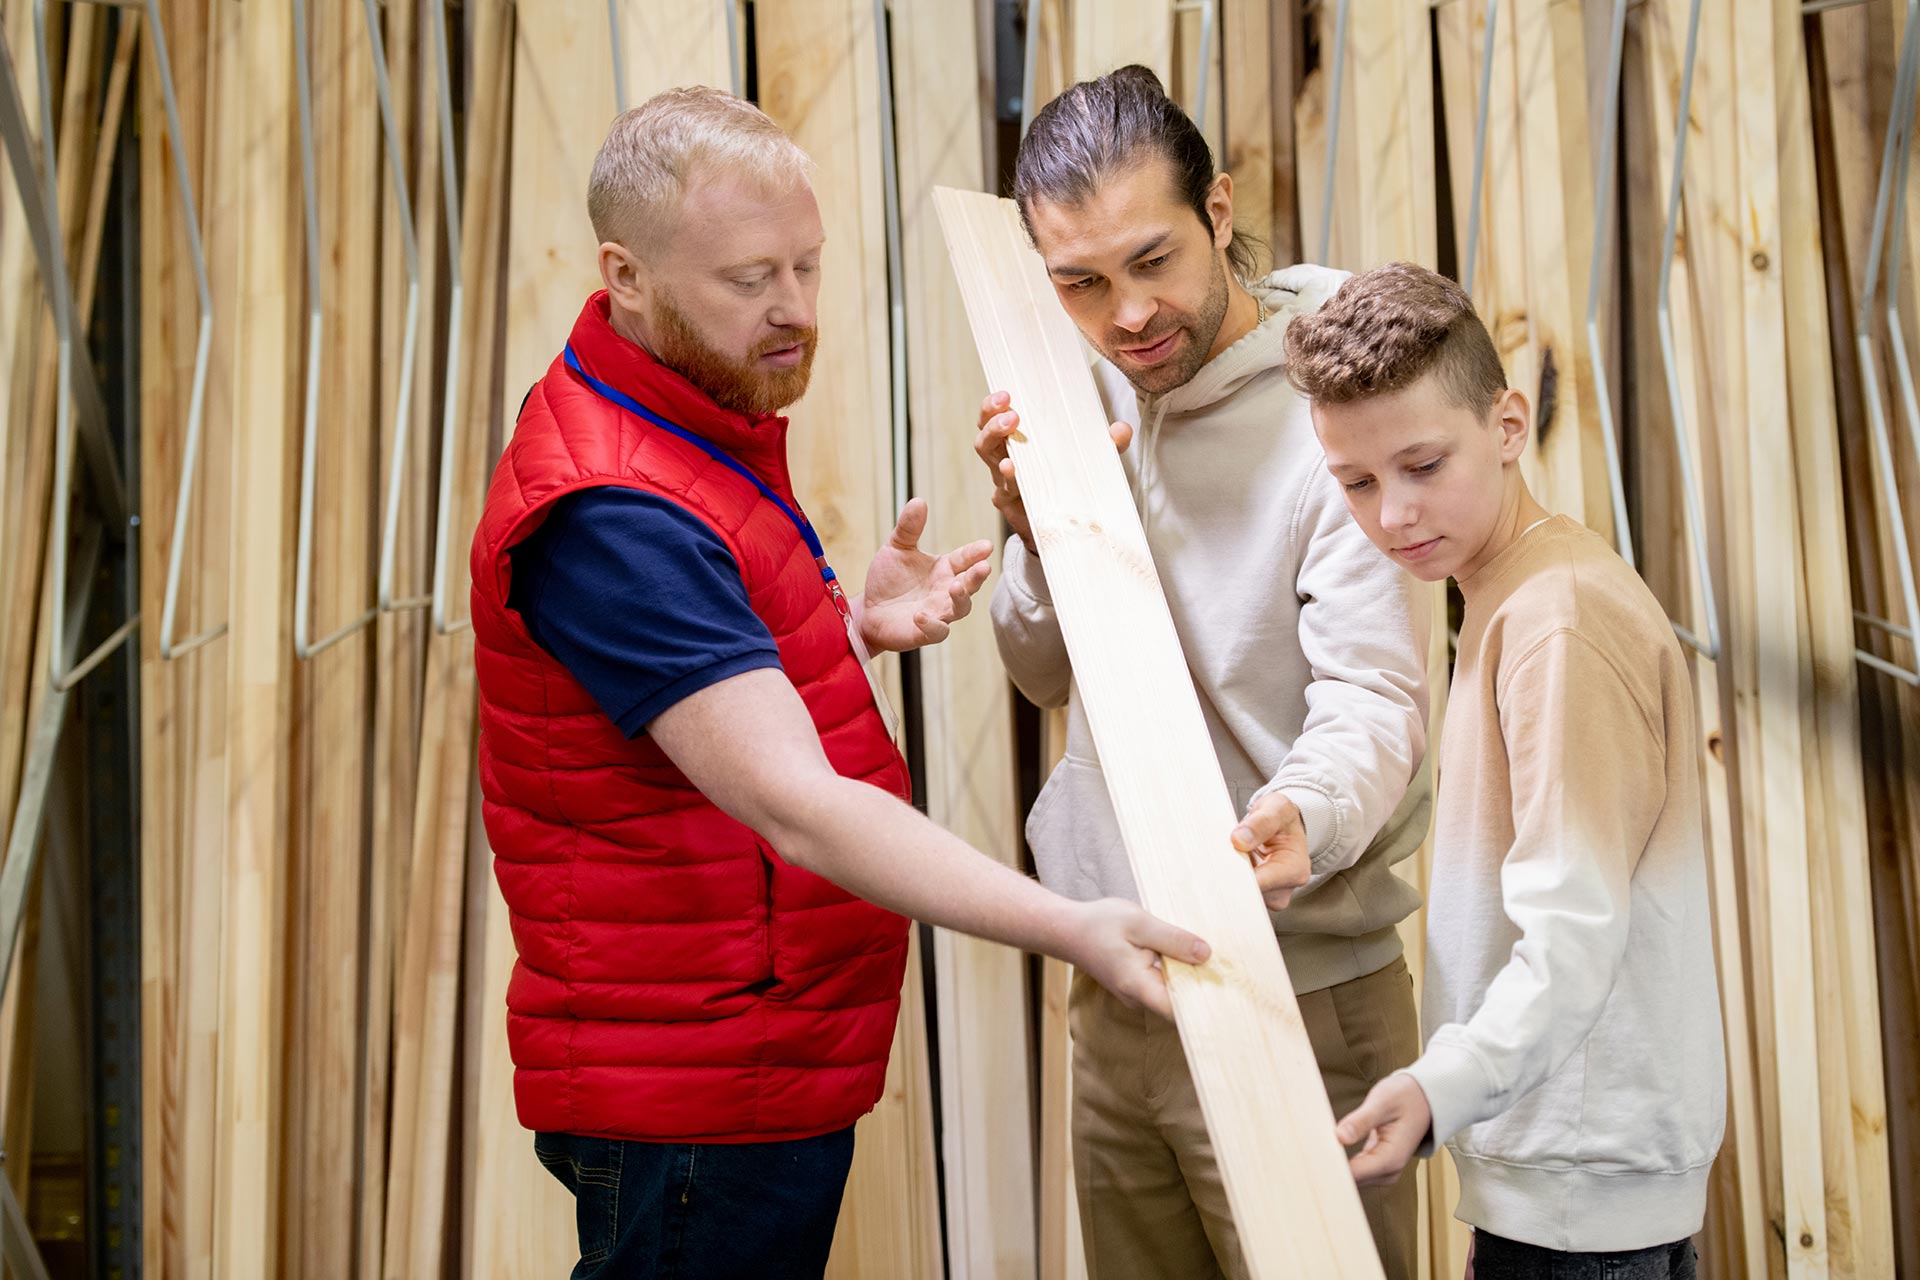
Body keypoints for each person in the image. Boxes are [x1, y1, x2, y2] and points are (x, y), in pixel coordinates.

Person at [468, 87, 1207, 1280]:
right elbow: (794, 805)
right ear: (627, 273)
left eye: (807, 266)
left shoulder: (676, 421)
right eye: (750, 278)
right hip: (699, 1092)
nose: (796, 312)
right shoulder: (611, 507)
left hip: (748, 1057)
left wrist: (845, 636)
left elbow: (678, 709)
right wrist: (1073, 925)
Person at [980, 66, 1431, 1280]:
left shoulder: (1338, 409)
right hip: (1122, 985)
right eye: (1081, 282)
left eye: (1153, 259)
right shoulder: (1089, 394)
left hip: (1302, 994)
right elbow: (1037, 675)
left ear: (1219, 211)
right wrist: (1034, 529)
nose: (1127, 315)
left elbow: (1377, 696)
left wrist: (1304, 809)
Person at [1291, 262, 1726, 1279]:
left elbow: (1570, 935)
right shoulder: (1509, 590)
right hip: (1570, 1180)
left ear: (1508, 422)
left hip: (1581, 1201)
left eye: (1422, 464)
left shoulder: (1554, 618)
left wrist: (1441, 1085)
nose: (1391, 513)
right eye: (1356, 482)